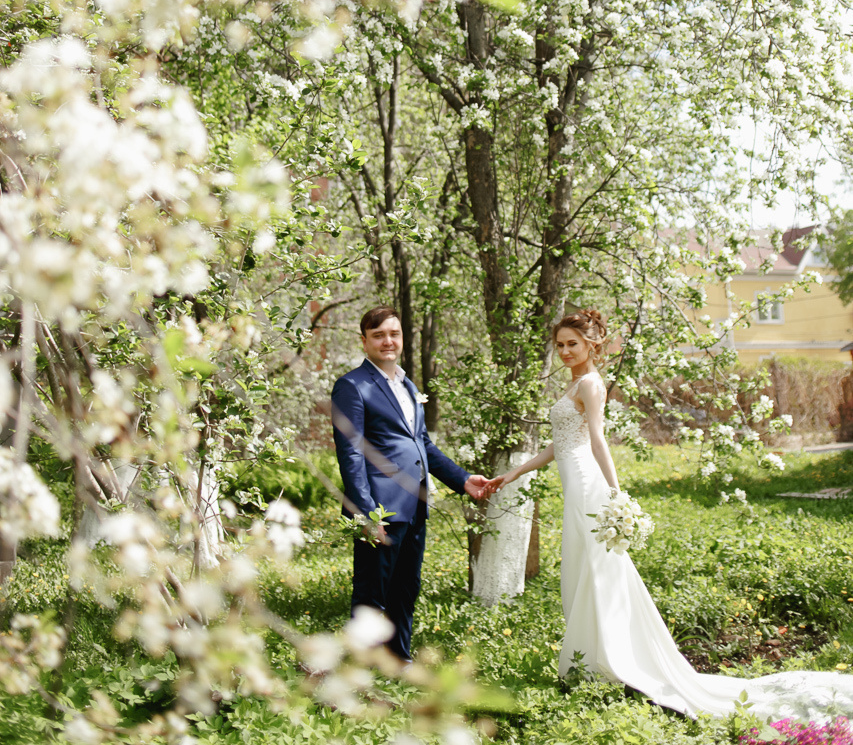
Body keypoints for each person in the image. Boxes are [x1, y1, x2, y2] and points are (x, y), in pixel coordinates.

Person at [486, 309, 853, 720]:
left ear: (592, 344)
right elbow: (560, 444)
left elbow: (598, 441)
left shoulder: (591, 384)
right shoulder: (571, 384)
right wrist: (515, 471)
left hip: (590, 488)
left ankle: (616, 663)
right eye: (560, 345)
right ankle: (594, 662)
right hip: (574, 488)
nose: (566, 351)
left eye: (573, 343)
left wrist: (616, 495)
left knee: (600, 572)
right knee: (583, 571)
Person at [331, 305, 489, 662]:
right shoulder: (351, 386)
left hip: (414, 504)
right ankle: (361, 669)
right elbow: (351, 454)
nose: (388, 341)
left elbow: (423, 445)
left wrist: (462, 480)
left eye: (394, 334)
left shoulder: (407, 385)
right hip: (380, 507)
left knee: (406, 588)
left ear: (402, 338)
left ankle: (398, 660)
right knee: (373, 591)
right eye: (379, 335)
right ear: (364, 341)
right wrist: (366, 512)